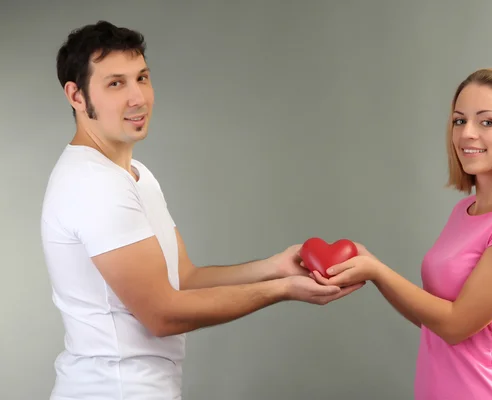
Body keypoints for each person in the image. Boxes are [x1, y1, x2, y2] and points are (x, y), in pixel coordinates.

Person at [41, 20, 364, 400]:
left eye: (142, 78)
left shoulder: (135, 175)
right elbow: (163, 314)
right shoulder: (94, 184)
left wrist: (274, 268)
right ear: (76, 96)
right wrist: (283, 290)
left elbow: (185, 279)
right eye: (116, 84)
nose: (138, 98)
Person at [309, 67, 492, 399]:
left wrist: (378, 271)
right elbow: (433, 321)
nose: (467, 133)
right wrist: (371, 266)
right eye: (459, 120)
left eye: (487, 122)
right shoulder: (463, 211)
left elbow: (456, 326)